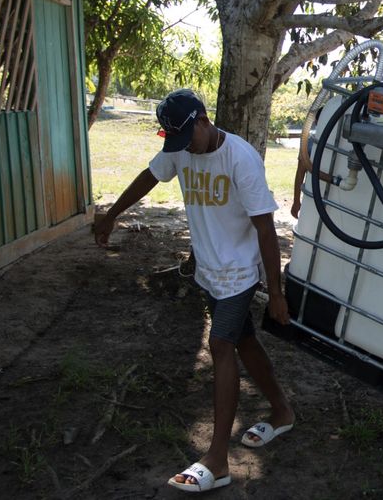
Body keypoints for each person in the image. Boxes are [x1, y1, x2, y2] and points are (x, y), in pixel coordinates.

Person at [92, 89, 295, 493]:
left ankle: (217, 459)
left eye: (189, 139)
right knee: (244, 343)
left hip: (239, 271)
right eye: (176, 144)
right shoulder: (181, 146)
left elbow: (266, 228)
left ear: (204, 120)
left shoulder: (241, 158)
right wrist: (111, 214)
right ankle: (283, 411)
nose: (185, 150)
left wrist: (275, 291)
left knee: (220, 345)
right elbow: (150, 176)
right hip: (209, 270)